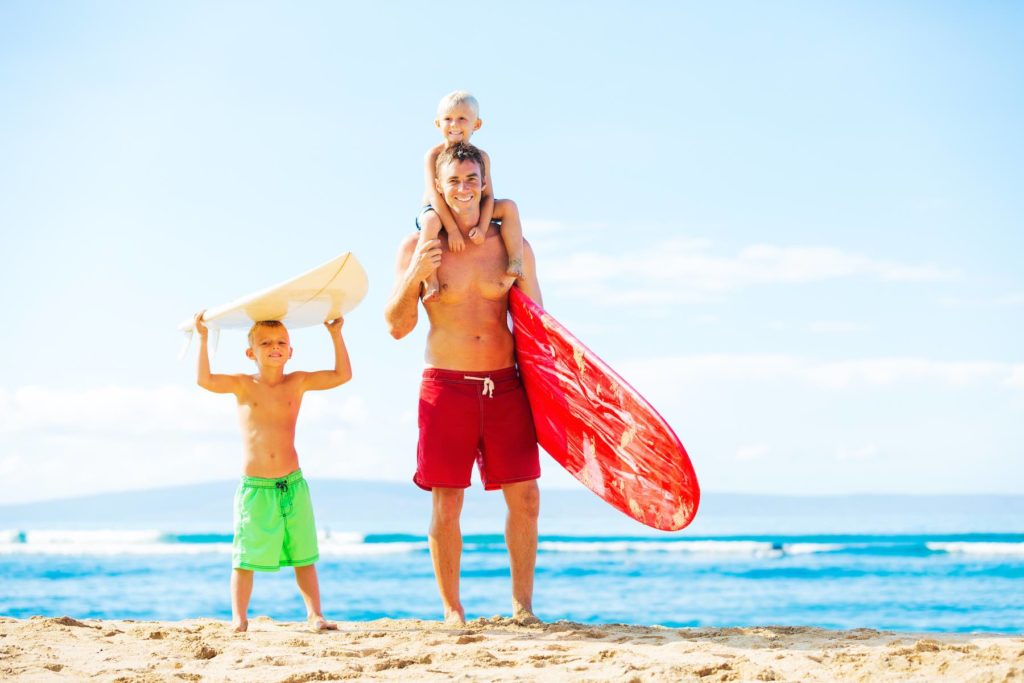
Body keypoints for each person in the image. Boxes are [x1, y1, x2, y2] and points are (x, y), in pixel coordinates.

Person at [385, 142, 543, 626]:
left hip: (505, 384)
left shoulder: (511, 246)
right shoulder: (417, 247)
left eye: (471, 179)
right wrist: (416, 273)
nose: (463, 189)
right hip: (447, 385)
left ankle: (522, 608)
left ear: (483, 181)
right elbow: (396, 325)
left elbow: (539, 322)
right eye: (453, 181)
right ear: (438, 185)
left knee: (527, 498)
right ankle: (453, 610)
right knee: (447, 499)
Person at [194, 314, 352, 632]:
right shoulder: (242, 384)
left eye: (281, 342)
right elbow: (205, 380)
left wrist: (335, 334)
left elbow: (342, 375)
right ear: (251, 353)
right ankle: (239, 619)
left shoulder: (299, 381)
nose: (274, 347)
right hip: (256, 488)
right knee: (245, 554)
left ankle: (315, 614)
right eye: (265, 343)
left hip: (292, 483)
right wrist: (202, 338)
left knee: (304, 551)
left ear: (291, 351)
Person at [415, 90, 525, 302]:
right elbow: (435, 197)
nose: (454, 125)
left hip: (471, 207)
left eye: (462, 119)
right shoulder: (433, 155)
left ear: (476, 124)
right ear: (438, 124)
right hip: (436, 210)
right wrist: (453, 230)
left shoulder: (481, 157)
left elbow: (488, 196)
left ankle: (516, 261)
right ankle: (432, 281)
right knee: (430, 221)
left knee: (509, 206)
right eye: (448, 119)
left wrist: (482, 228)